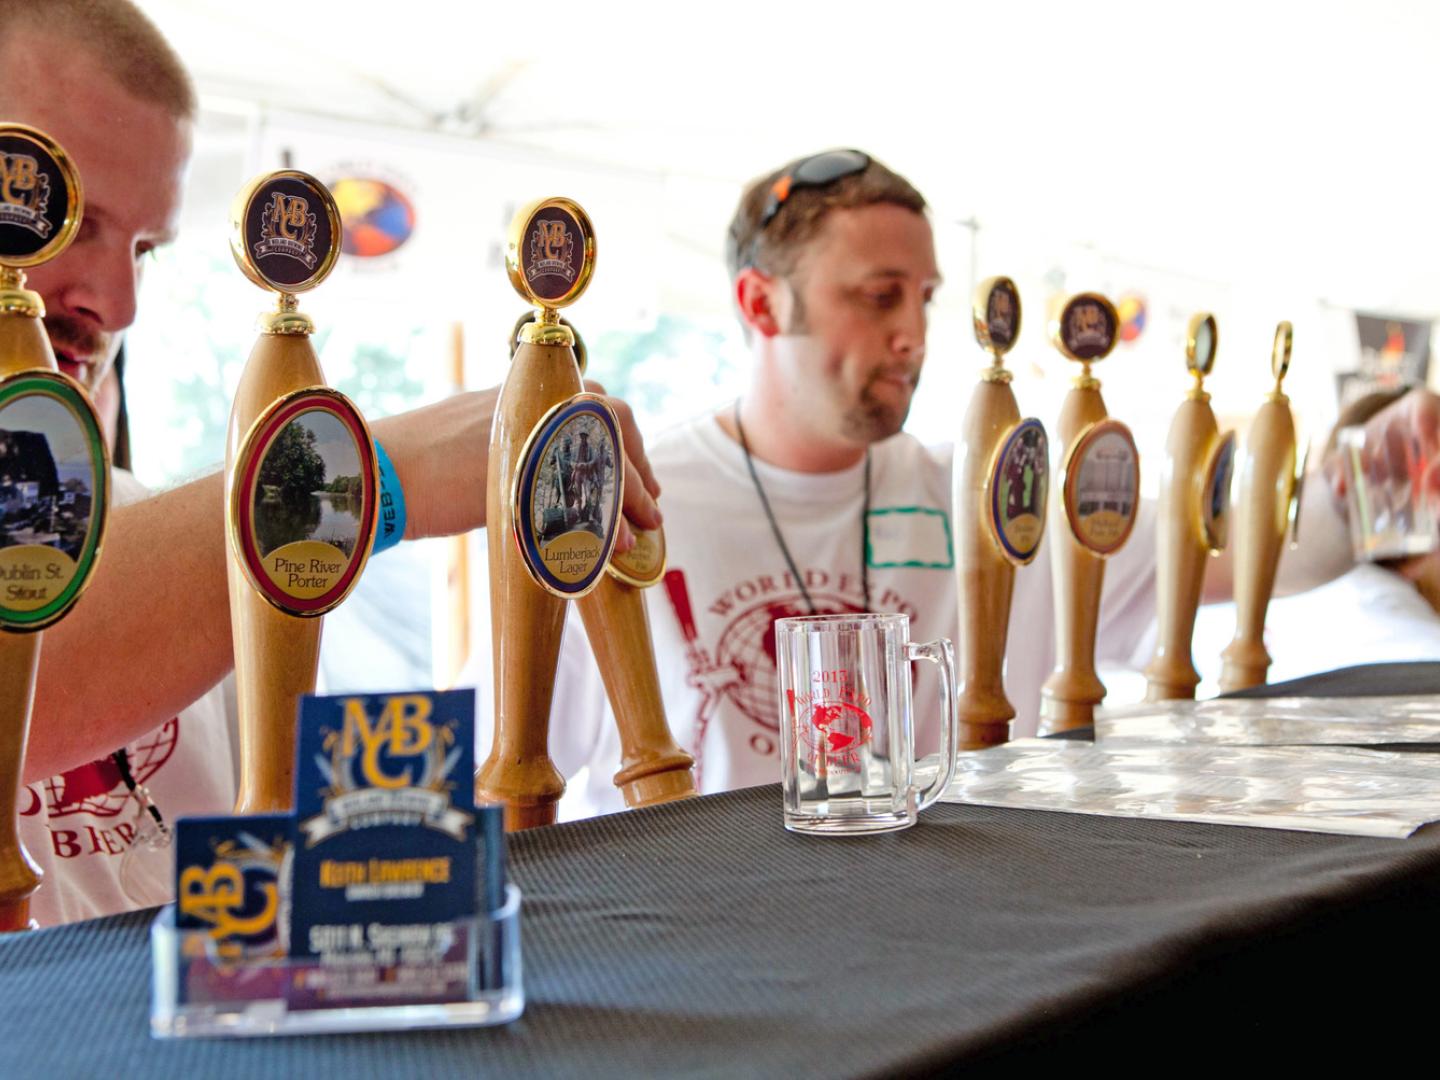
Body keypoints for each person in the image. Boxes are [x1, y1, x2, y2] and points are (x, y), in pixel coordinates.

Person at [0, 0, 661, 923]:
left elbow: (250, 916)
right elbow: (38, 680)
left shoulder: (156, 531)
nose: (116, 302)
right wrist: (372, 477)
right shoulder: (193, 553)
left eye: (145, 246)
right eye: (58, 213)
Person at [533, 150, 1162, 819]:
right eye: (879, 296)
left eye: (924, 298)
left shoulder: (994, 498)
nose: (915, 336)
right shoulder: (623, 503)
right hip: (700, 915)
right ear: (761, 302)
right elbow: (482, 778)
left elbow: (1246, 548)